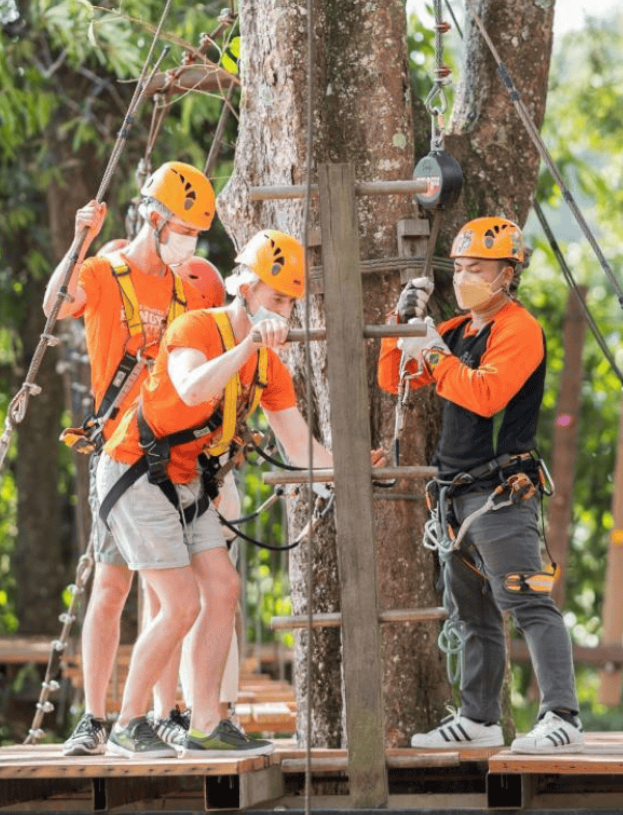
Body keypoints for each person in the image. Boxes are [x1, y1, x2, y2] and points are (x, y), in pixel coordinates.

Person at [96, 230, 378, 758]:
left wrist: (350, 473)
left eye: (290, 303)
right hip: (134, 470)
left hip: (185, 479)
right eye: (275, 299)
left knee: (222, 588)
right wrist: (246, 344)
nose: (284, 312)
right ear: (245, 289)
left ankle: (206, 722)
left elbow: (299, 445)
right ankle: (127, 723)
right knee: (180, 603)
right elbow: (190, 388)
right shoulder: (196, 327)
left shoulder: (269, 366)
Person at [377, 216, 584, 754]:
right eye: (461, 267)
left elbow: (486, 395)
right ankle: (478, 718)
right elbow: (390, 377)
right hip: (454, 495)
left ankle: (563, 715)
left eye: (478, 268)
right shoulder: (456, 331)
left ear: (507, 274)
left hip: (499, 491)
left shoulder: (518, 329)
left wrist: (435, 354)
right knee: (472, 612)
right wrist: (402, 324)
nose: (465, 276)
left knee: (527, 603)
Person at [43, 161, 218, 756]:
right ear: (154, 219)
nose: (189, 243)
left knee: (157, 591)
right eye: (184, 230)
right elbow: (54, 305)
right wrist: (78, 239)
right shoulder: (103, 272)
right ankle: (101, 720)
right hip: (119, 458)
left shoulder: (184, 291)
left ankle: (151, 713)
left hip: (167, 458)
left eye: (196, 234)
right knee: (115, 587)